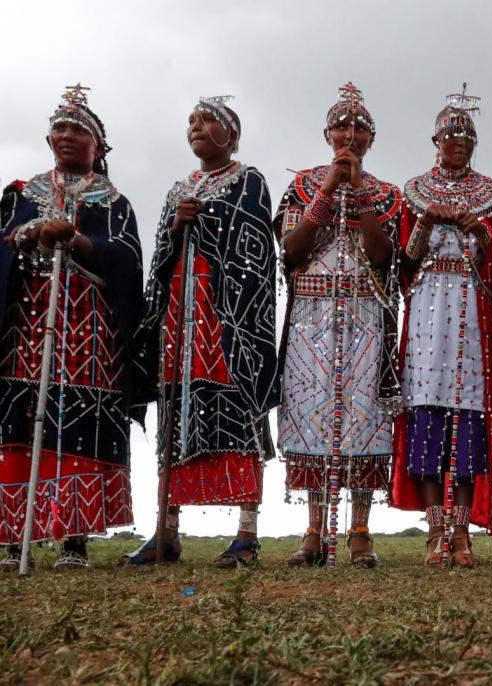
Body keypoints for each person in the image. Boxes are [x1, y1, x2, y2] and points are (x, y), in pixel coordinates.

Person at [123, 97, 277, 567]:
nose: (195, 127)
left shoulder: (249, 180)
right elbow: (160, 253)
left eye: (207, 119)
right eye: (191, 121)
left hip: (229, 319)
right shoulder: (177, 188)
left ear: (231, 134)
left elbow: (255, 246)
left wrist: (205, 224)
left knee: (239, 411)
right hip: (179, 315)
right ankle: (166, 532)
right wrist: (176, 226)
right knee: (175, 412)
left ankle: (246, 535)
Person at [0, 85, 143, 569]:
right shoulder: (21, 193)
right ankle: (12, 536)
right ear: (47, 139)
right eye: (59, 128)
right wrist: (26, 234)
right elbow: (2, 241)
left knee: (81, 420)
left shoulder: (115, 202)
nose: (66, 135)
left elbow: (126, 258)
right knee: (17, 416)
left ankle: (74, 539)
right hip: (26, 320)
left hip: (88, 325)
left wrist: (78, 240)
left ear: (98, 147)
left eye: (78, 129)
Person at [275, 83, 402, 567]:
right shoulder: (303, 186)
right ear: (327, 133)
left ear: (372, 138)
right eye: (342, 126)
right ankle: (311, 530)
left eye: (360, 127)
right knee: (309, 418)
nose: (350, 133)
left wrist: (361, 196)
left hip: (367, 314)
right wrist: (329, 189)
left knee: (365, 420)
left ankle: (360, 531)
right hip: (310, 318)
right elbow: (292, 248)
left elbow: (382, 255)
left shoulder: (386, 194)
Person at [389, 87, 492, 567]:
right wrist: (427, 221)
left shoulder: (491, 194)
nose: (459, 139)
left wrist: (477, 229)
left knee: (467, 423)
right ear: (434, 139)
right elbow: (405, 263)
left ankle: (462, 533)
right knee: (426, 420)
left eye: (468, 134)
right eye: (451, 132)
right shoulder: (414, 190)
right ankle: (435, 531)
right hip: (425, 312)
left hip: (471, 312)